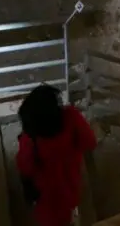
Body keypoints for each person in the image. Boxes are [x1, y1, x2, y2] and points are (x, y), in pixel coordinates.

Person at [16, 85, 97, 226]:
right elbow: (89, 142)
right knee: (71, 214)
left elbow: (25, 166)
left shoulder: (30, 138)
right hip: (71, 185)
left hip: (46, 196)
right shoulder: (71, 117)